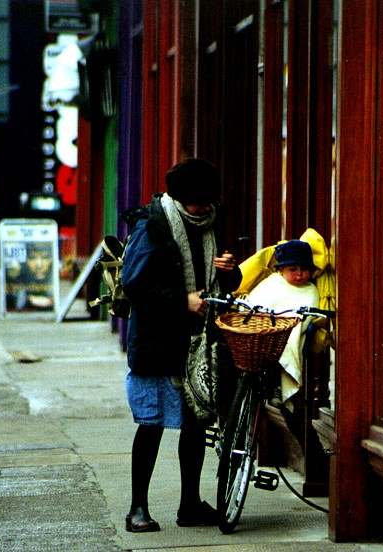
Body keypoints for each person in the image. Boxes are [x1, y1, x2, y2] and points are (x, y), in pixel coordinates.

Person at [121, 158, 241, 532]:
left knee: (195, 426)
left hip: (200, 343)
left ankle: (189, 503)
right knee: (152, 424)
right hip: (157, 343)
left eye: (208, 201)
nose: (204, 208)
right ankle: (137, 508)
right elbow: (134, 285)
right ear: (178, 198)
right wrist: (183, 300)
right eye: (197, 202)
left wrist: (228, 271)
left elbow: (228, 284)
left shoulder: (212, 223)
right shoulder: (153, 226)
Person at [246, 240, 319, 409]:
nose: (300, 274)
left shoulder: (311, 290)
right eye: (293, 269)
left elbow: (309, 315)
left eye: (305, 269)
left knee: (291, 338)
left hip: (291, 330)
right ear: (280, 270)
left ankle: (279, 385)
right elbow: (254, 304)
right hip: (263, 332)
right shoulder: (272, 283)